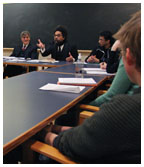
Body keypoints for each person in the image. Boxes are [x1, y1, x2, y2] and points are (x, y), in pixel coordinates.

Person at [39, 11, 141, 163]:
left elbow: (75, 143)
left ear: (129, 57)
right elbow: (91, 134)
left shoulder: (125, 109)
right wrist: (54, 129)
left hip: (85, 152)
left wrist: (42, 135)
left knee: (40, 154)